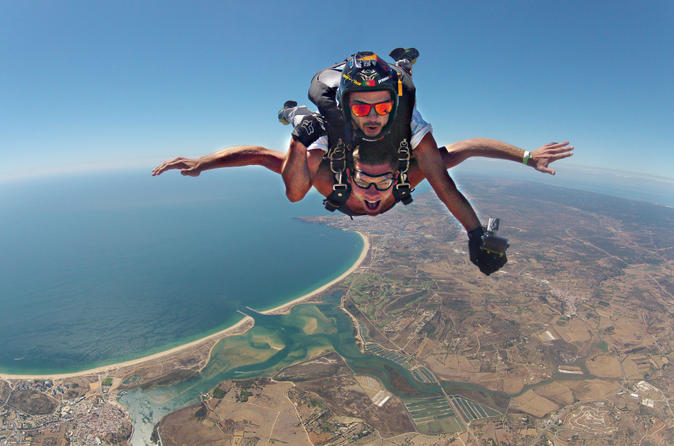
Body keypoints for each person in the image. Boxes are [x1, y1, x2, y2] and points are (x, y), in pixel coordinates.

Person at [152, 138, 574, 274]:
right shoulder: (326, 177)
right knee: (293, 178)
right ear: (347, 174)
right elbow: (261, 155)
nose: (374, 192)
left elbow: (466, 149)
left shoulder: (411, 174)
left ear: (399, 175)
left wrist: (525, 157)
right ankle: (304, 131)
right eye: (365, 181)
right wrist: (203, 163)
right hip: (324, 171)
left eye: (384, 182)